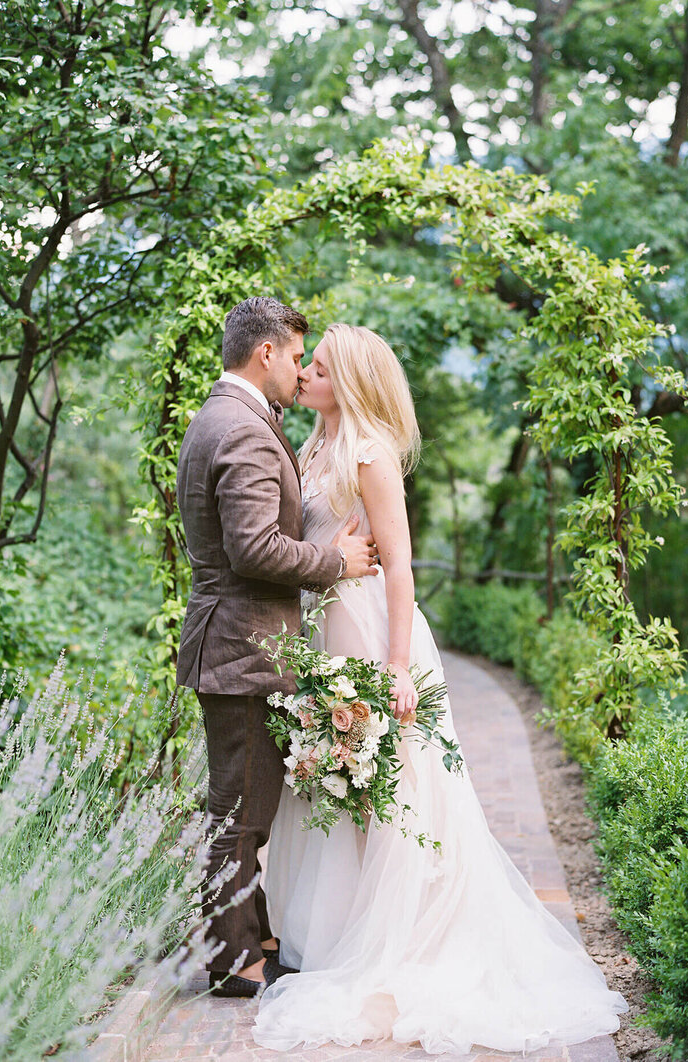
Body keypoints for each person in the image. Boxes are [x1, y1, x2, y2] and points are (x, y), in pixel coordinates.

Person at [253, 323, 628, 1054]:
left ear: (350, 382)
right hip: (323, 632)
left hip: (368, 632)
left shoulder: (370, 454)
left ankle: (403, 935)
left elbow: (399, 567)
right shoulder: (310, 446)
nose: (306, 376)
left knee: (392, 786)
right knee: (335, 779)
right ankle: (339, 932)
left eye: (318, 368)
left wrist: (396, 665)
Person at [175, 299, 379, 998]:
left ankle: (254, 936)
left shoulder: (226, 417)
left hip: (235, 644)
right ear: (265, 353)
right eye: (297, 355)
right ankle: (233, 965)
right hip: (242, 650)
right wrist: (335, 562)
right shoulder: (244, 430)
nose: (300, 368)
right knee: (240, 816)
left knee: (245, 806)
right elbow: (253, 546)